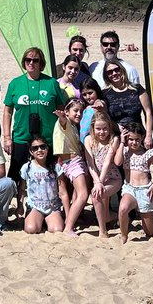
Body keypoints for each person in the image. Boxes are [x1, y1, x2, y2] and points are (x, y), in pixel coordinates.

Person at [2, 46, 66, 218]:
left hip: (47, 139)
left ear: (41, 63)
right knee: (16, 174)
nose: (31, 63)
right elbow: (7, 111)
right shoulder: (16, 83)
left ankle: (52, 207)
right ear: (24, 62)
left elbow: (61, 110)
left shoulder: (51, 83)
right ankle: (17, 207)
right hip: (22, 137)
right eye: (28, 60)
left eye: (35, 60)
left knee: (50, 174)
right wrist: (7, 137)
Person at [116, 122, 153, 244]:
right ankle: (124, 235)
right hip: (130, 188)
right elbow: (117, 162)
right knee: (123, 208)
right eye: (130, 139)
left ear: (141, 139)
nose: (134, 142)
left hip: (145, 190)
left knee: (149, 231)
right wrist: (121, 142)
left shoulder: (148, 153)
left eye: (137, 139)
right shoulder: (125, 151)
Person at [52, 98, 91, 236]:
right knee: (83, 194)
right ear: (67, 112)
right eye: (75, 110)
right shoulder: (66, 122)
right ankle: (68, 227)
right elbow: (63, 122)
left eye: (81, 111)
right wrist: (62, 117)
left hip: (75, 161)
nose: (79, 114)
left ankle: (70, 221)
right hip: (72, 163)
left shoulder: (74, 126)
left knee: (76, 195)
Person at [84, 111, 122, 238]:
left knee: (96, 196)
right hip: (98, 178)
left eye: (105, 129)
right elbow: (90, 164)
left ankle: (103, 230)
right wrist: (97, 181)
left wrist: (99, 182)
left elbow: (107, 162)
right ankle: (120, 216)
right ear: (93, 128)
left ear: (110, 127)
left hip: (112, 178)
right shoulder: (88, 140)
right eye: (98, 129)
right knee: (105, 216)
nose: (102, 132)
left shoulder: (114, 139)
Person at [100, 57, 153, 146]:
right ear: (106, 75)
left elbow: (148, 112)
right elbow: (104, 117)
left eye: (116, 70)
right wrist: (117, 127)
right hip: (117, 138)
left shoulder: (137, 89)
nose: (114, 73)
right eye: (110, 72)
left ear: (122, 70)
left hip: (138, 137)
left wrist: (148, 136)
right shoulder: (104, 93)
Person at [21, 136, 63, 234]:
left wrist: (68, 215)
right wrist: (19, 205)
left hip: (52, 207)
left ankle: (48, 220)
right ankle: (38, 220)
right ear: (31, 152)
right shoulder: (27, 167)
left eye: (42, 147)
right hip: (35, 206)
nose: (39, 150)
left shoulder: (55, 167)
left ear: (47, 148)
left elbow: (63, 191)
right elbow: (22, 189)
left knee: (57, 230)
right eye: (35, 148)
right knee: (31, 229)